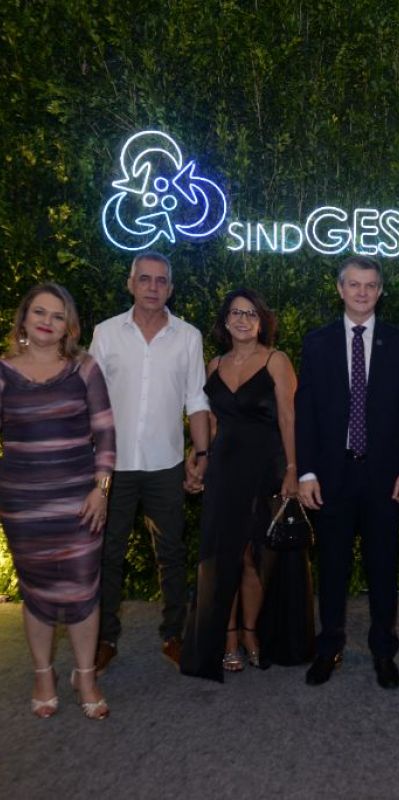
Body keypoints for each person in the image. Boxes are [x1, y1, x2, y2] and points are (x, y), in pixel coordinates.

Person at [295, 255, 399, 689]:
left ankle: (384, 651)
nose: (362, 292)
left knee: (382, 568)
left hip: (384, 477)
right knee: (331, 568)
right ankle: (328, 648)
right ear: (340, 289)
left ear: (380, 291)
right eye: (354, 284)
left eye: (370, 285)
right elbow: (306, 413)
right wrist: (306, 473)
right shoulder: (317, 343)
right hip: (332, 475)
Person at [180, 288, 310, 682]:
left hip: (267, 469)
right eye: (236, 313)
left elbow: (289, 418)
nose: (242, 319)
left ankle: (252, 632)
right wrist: (197, 456)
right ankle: (228, 638)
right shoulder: (214, 364)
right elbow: (210, 420)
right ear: (225, 321)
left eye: (251, 313)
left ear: (261, 322)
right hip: (224, 471)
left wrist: (293, 468)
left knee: (257, 558)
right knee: (224, 558)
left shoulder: (276, 360)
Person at [89, 251, 210, 672]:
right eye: (145, 279)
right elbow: (91, 398)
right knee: (108, 555)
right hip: (113, 465)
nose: (153, 287)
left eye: (161, 280)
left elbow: (197, 400)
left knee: (171, 553)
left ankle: (173, 635)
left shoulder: (188, 337)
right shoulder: (106, 334)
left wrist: (202, 454)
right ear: (131, 283)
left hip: (166, 463)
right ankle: (104, 638)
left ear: (170, 288)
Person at [0, 284, 115, 719]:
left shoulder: (85, 369)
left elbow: (105, 433)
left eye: (57, 315)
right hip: (23, 505)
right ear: (24, 318)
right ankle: (43, 675)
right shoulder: (4, 371)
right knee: (36, 591)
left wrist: (101, 490)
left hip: (80, 501)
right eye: (39, 312)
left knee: (84, 587)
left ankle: (86, 677)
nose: (47, 321)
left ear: (70, 326)